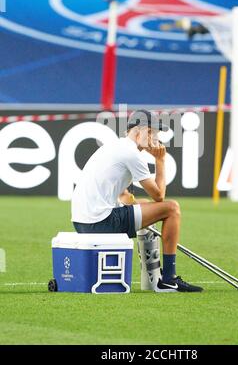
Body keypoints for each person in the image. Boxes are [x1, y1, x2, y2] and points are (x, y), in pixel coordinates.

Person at [71, 109, 203, 293]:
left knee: (142, 203)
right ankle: (169, 279)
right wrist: (160, 161)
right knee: (172, 208)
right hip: (100, 222)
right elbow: (159, 196)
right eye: (153, 133)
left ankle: (152, 277)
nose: (155, 139)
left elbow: (124, 196)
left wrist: (141, 208)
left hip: (82, 222)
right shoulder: (131, 153)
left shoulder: (115, 146)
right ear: (141, 131)